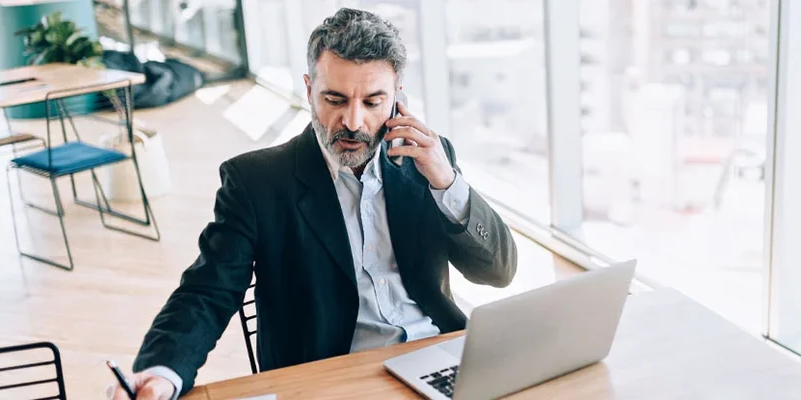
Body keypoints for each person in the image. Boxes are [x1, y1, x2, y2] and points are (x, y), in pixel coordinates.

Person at [108, 8, 517, 399]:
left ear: (397, 99)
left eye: (372, 102)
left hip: (440, 360)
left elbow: (499, 272)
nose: (353, 122)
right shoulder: (256, 183)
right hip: (336, 379)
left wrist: (448, 183)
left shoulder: (428, 160)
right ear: (308, 90)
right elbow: (206, 292)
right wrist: (162, 372)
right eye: (335, 99)